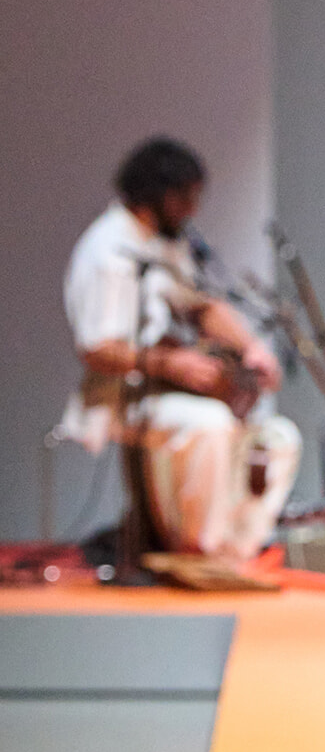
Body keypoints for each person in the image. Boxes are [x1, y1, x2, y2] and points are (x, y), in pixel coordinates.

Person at [61, 137, 300, 562]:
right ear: (159, 194)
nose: (193, 208)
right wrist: (172, 364)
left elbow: (202, 306)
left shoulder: (165, 244)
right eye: (186, 196)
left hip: (171, 388)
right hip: (125, 394)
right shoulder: (108, 249)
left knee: (278, 437)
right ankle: (197, 553)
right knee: (208, 424)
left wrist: (252, 348)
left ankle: (233, 552)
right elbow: (97, 347)